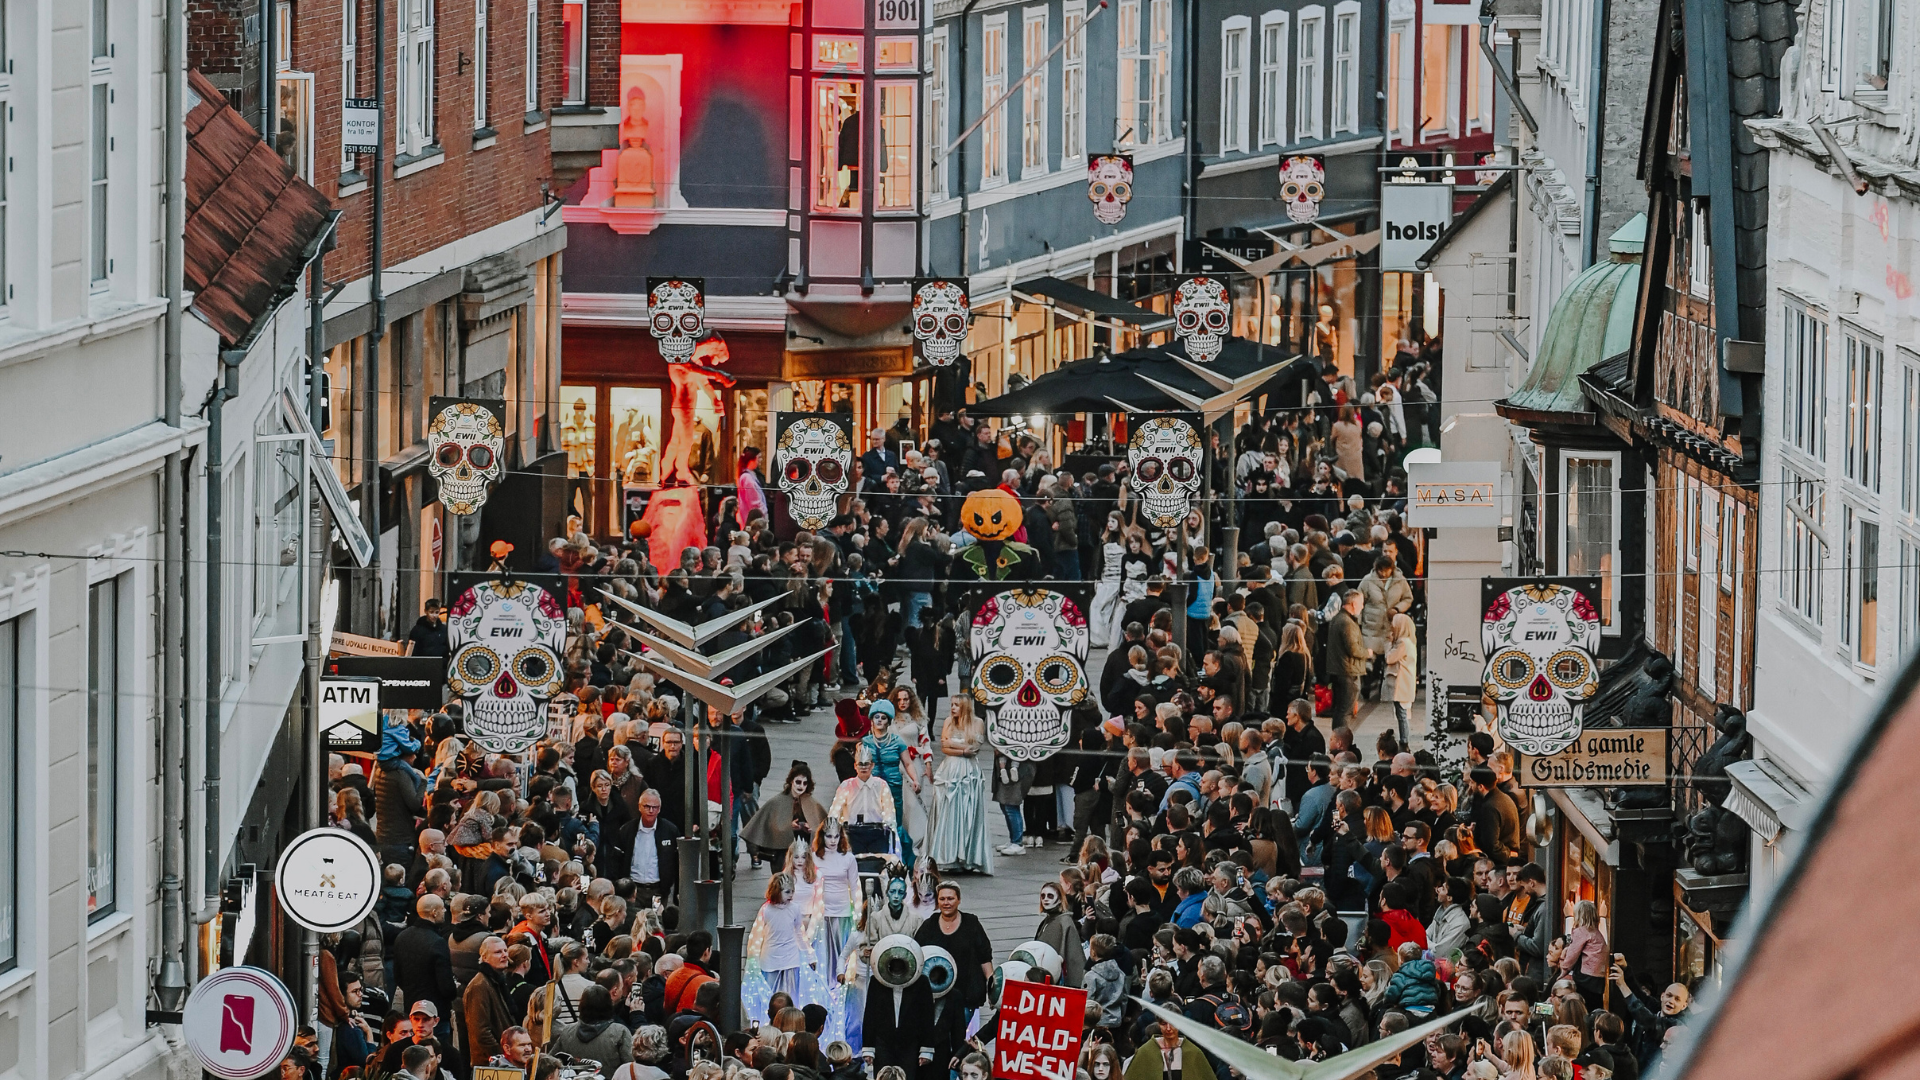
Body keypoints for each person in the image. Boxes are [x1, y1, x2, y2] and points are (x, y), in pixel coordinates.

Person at [926, 697, 993, 873]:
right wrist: (961, 748)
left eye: (956, 705)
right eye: (951, 705)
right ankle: (946, 855)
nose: (953, 708)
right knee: (946, 811)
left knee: (967, 811)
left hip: (968, 771)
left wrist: (954, 744)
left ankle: (967, 856)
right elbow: (944, 748)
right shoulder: (949, 721)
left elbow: (974, 749)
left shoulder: (978, 722)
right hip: (949, 769)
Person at [744, 762, 828, 863]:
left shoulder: (812, 803)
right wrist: (788, 827)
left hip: (805, 853)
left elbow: (824, 827)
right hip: (782, 853)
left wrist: (811, 829)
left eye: (805, 783)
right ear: (791, 781)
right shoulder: (777, 801)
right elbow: (769, 827)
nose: (801, 786)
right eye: (798, 782)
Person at [551, 985, 637, 1068]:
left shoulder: (567, 1031)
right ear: (609, 1005)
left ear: (581, 1005)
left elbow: (550, 1062)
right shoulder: (620, 1032)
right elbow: (632, 1067)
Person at [1326, 588, 1369, 727]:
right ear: (1353, 604)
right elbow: (1353, 649)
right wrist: (1367, 653)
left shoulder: (1338, 618)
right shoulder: (1347, 623)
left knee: (1340, 709)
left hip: (1340, 670)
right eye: (1361, 603)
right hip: (1348, 672)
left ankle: (1338, 738)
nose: (1362, 607)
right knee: (1346, 710)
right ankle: (1341, 740)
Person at [1383, 611, 1419, 746]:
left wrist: (1387, 644)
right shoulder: (1408, 642)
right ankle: (1404, 739)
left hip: (1402, 685)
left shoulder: (1403, 643)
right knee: (1402, 713)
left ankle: (1404, 741)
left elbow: (1390, 658)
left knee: (1402, 715)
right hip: (1405, 684)